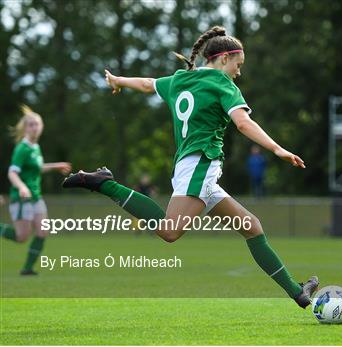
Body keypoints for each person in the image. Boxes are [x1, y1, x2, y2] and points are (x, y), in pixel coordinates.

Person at [62, 26, 318, 308]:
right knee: (170, 232)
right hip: (201, 165)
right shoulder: (221, 84)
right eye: (238, 64)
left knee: (252, 227)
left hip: (195, 168)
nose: (239, 72)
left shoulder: (180, 80)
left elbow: (148, 84)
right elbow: (243, 123)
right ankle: (103, 182)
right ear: (223, 59)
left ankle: (298, 293)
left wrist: (119, 80)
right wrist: (277, 148)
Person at [0, 105, 71, 275]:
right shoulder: (22, 149)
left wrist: (55, 166)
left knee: (42, 231)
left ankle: (27, 269)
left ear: (42, 126)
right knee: (21, 237)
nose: (34, 127)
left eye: (37, 124)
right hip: (22, 197)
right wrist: (22, 187)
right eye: (31, 124)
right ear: (25, 128)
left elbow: (36, 168)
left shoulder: (35, 147)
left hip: (36, 197)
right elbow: (12, 173)